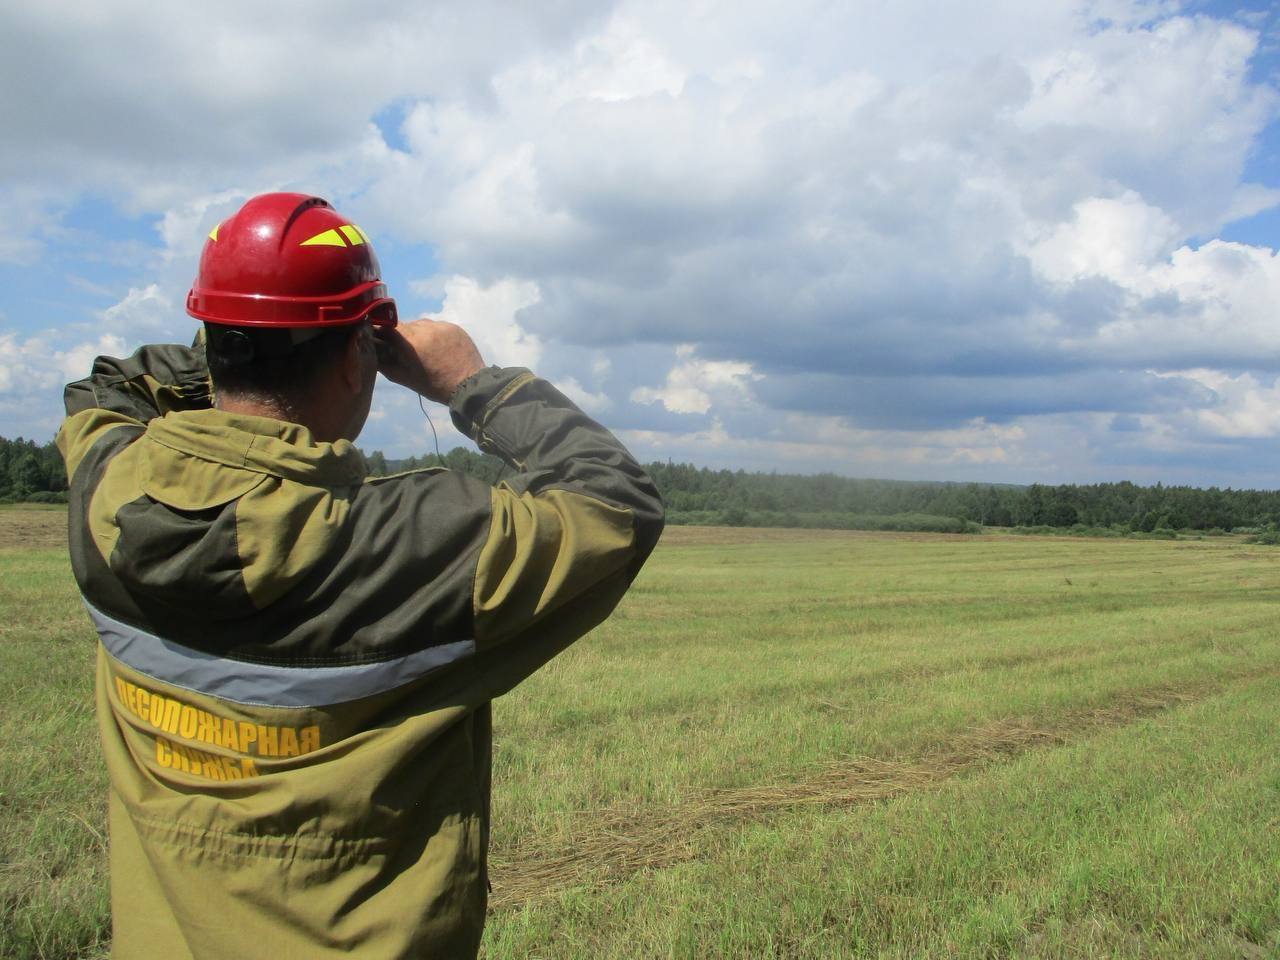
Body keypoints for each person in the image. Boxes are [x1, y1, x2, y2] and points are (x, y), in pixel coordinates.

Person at [56, 192, 664, 958]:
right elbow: (617, 501)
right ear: (357, 359)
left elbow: (105, 389)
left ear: (213, 342)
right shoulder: (409, 550)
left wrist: (253, 326)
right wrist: (471, 382)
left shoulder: (105, 493)